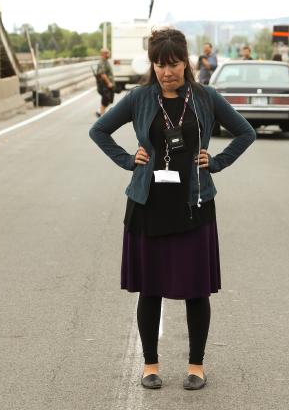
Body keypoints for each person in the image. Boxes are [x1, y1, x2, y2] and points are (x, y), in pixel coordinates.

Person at [89, 28, 256, 392]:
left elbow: (246, 132)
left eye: (174, 63)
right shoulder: (140, 98)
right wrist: (127, 159)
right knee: (150, 290)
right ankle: (150, 364)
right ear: (152, 64)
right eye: (160, 64)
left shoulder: (205, 98)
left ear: (187, 62)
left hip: (193, 204)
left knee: (196, 291)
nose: (167, 72)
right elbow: (99, 130)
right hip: (148, 206)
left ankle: (196, 366)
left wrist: (216, 161)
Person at [94, 48, 115, 117]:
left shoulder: (106, 61)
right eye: (107, 53)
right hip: (104, 85)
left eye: (108, 52)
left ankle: (100, 112)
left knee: (109, 99)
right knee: (106, 99)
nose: (108, 54)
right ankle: (101, 114)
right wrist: (108, 83)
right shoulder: (102, 62)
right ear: (103, 54)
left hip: (107, 85)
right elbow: (102, 74)